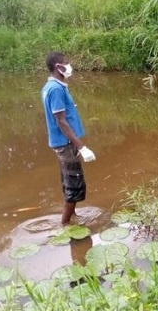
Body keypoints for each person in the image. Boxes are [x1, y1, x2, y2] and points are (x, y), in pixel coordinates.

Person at [41, 51, 96, 226]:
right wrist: (81, 146)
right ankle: (64, 225)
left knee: (69, 182)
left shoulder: (52, 87)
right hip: (66, 144)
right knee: (73, 186)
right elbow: (61, 121)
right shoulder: (56, 89)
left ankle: (73, 216)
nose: (69, 65)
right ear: (58, 67)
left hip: (64, 143)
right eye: (66, 63)